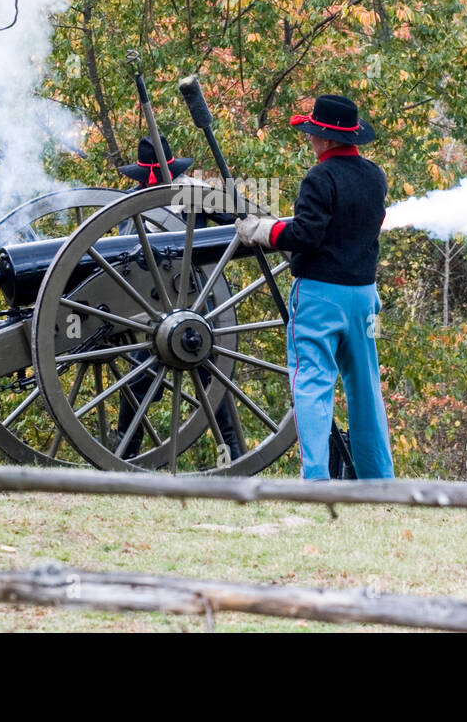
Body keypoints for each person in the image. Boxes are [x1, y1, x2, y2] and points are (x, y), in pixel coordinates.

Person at [235, 95, 394, 480]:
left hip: (321, 296)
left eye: (312, 135)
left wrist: (264, 230)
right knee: (366, 387)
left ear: (323, 139)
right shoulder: (375, 176)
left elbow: (306, 234)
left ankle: (317, 479)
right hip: (364, 297)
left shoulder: (320, 178)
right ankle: (378, 479)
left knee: (312, 383)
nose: (310, 141)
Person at [115, 136, 243, 464]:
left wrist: (233, 201)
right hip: (148, 308)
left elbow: (238, 219)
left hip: (195, 302)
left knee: (213, 380)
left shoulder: (193, 193)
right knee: (138, 383)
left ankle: (234, 455)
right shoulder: (130, 202)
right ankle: (124, 457)